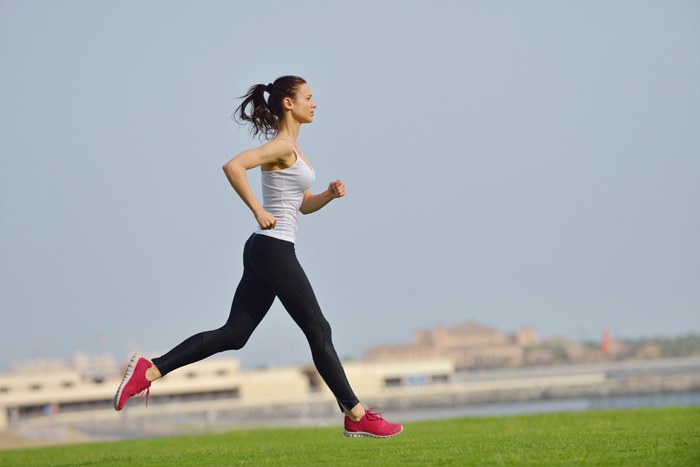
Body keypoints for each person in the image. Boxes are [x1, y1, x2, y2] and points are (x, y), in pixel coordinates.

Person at [113, 75, 403, 438]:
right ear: (289, 103)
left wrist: (327, 195)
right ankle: (356, 415)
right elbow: (233, 166)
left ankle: (150, 369)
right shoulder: (281, 146)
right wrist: (256, 209)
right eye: (308, 98)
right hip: (273, 248)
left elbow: (301, 205)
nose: (314, 104)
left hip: (266, 248)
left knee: (235, 334)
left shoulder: (294, 151)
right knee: (320, 330)